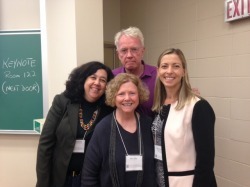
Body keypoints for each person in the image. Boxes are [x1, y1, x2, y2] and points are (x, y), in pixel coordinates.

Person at [36, 61, 114, 187]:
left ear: (107, 86)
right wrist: (43, 183)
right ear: (83, 79)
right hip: (61, 179)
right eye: (93, 77)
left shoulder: (109, 109)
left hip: (91, 181)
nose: (97, 83)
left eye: (103, 80)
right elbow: (45, 144)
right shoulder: (62, 101)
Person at [151, 48, 217, 187]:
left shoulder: (198, 107)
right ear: (158, 71)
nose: (169, 71)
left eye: (176, 66)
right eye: (164, 66)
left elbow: (206, 161)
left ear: (184, 71)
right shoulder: (158, 106)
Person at [81, 73, 157, 187]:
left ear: (139, 95)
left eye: (132, 93)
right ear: (113, 97)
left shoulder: (149, 125)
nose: (127, 98)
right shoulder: (103, 128)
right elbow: (89, 176)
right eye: (121, 94)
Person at [112, 26, 157, 117]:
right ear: (118, 54)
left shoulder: (158, 75)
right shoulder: (112, 77)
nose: (129, 55)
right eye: (124, 50)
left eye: (134, 49)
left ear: (142, 51)